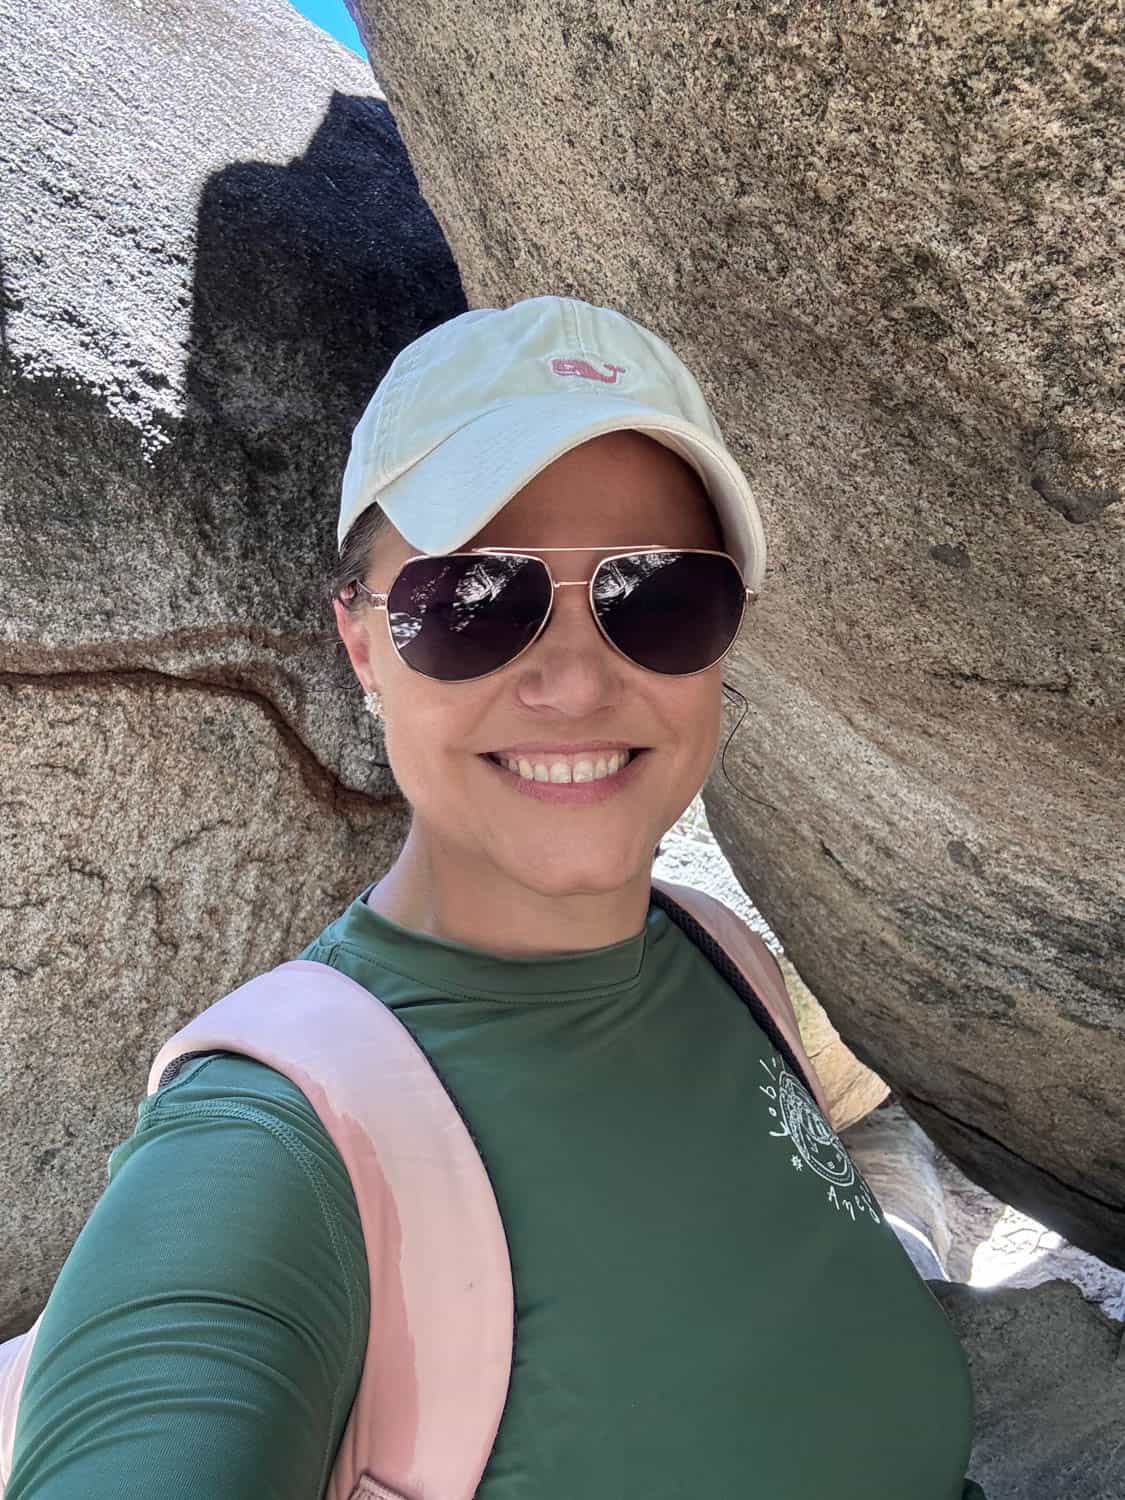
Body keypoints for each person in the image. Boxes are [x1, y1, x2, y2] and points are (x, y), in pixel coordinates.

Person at [5, 296, 987, 1498]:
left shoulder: (720, 957)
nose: (576, 681)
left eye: (659, 595)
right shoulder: (267, 1148)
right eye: (471, 602)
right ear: (361, 643)